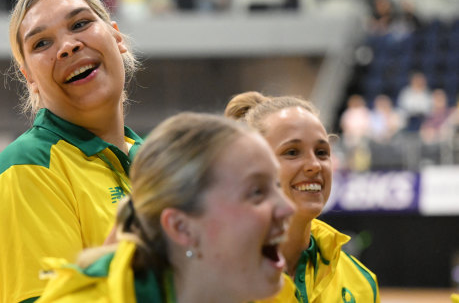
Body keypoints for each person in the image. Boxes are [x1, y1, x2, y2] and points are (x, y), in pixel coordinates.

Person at [0, 0, 143, 302]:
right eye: (41, 43)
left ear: (117, 37)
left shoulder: (157, 161)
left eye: (80, 23)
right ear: (30, 78)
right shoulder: (26, 169)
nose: (68, 46)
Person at [36, 112, 294, 302]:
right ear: (181, 227)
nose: (288, 208)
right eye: (257, 192)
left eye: (277, 185)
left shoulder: (270, 293)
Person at [225, 91, 380, 303]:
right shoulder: (211, 282)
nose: (314, 165)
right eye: (292, 152)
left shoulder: (360, 284)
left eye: (322, 152)